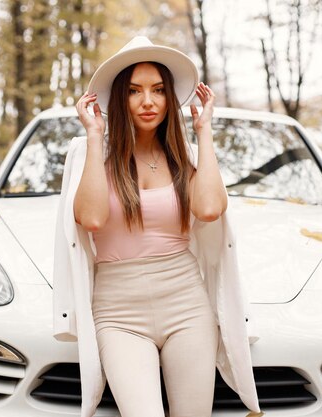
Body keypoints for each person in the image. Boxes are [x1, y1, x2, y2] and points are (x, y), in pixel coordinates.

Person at [52, 36, 260, 417]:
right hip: (118, 311)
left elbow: (210, 208)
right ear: (120, 99)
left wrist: (204, 130)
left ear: (169, 99)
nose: (148, 101)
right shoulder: (89, 153)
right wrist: (96, 136)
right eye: (134, 91)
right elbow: (92, 218)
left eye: (158, 90)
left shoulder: (189, 157)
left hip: (186, 303)